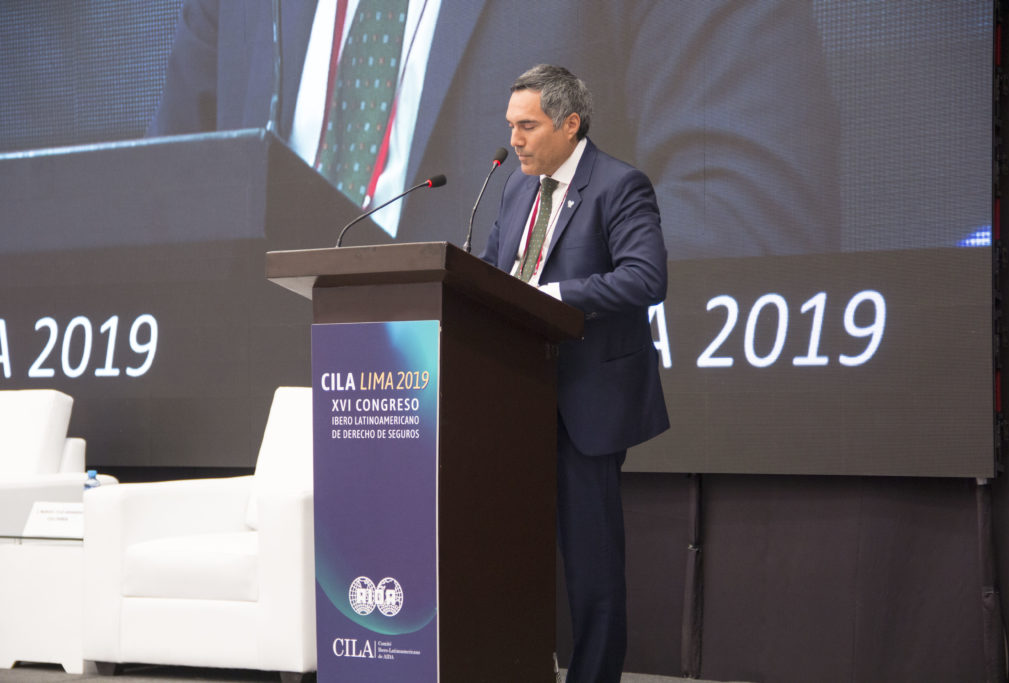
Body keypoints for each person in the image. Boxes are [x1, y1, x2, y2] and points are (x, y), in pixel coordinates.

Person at [148, 0, 838, 258]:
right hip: (247, 474)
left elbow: (752, 217)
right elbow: (160, 218)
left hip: (533, 458)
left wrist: (489, 300)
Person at [481, 64, 669, 683]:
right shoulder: (516, 191)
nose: (514, 139)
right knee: (506, 548)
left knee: (592, 562)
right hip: (515, 393)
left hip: (585, 399)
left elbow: (646, 278)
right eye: (511, 125)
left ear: (570, 124)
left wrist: (553, 296)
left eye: (528, 126)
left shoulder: (620, 185)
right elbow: (490, 275)